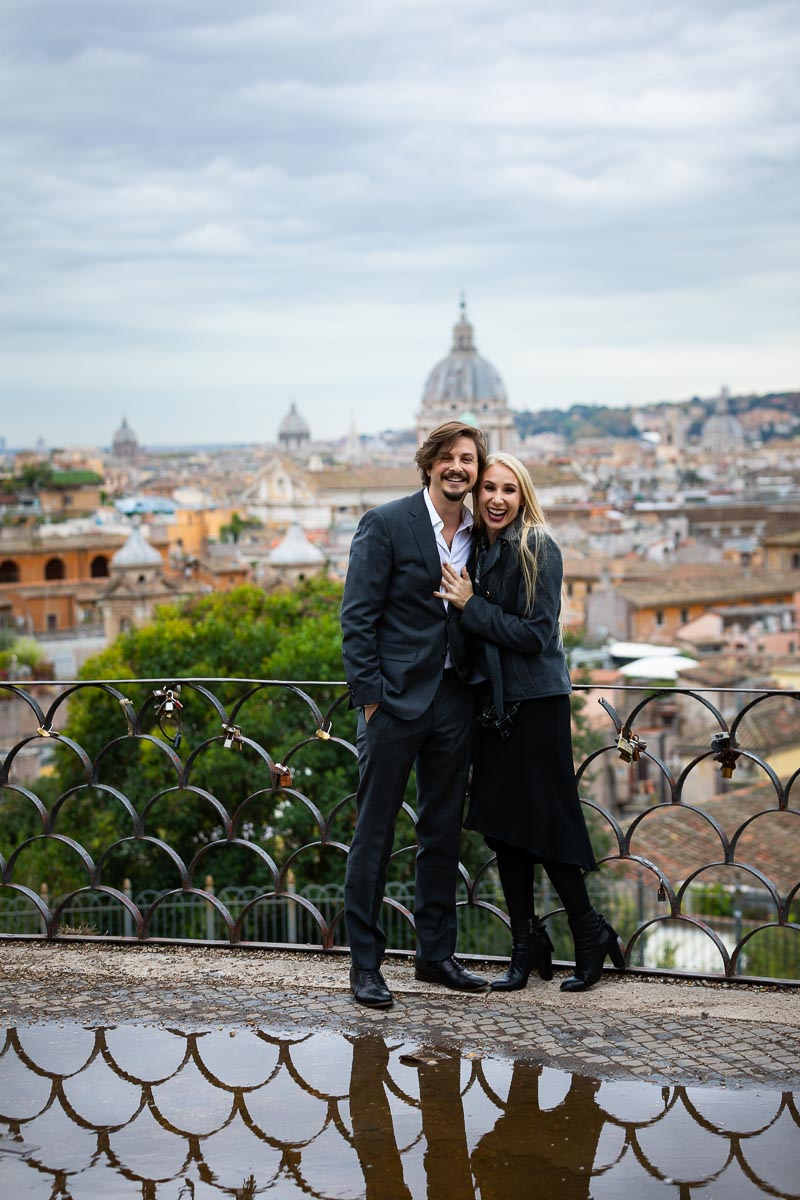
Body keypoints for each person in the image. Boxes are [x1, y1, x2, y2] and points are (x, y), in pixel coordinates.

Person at [438, 452, 625, 992]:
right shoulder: (477, 549)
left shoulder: (537, 545)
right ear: (477, 496)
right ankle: (526, 945)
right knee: (502, 829)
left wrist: (470, 604)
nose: (497, 498)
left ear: (524, 498)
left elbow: (538, 634)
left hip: (536, 702)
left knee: (546, 825)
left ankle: (590, 935)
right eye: (488, 488)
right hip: (490, 704)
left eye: (509, 490)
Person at [341, 420, 490, 1008]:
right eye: (449, 458)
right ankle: (365, 968)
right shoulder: (385, 523)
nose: (459, 468)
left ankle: (435, 955)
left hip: (455, 699)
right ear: (429, 464)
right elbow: (357, 616)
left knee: (441, 832)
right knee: (373, 837)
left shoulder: (483, 532)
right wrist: (371, 698)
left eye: (469, 460)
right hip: (394, 703)